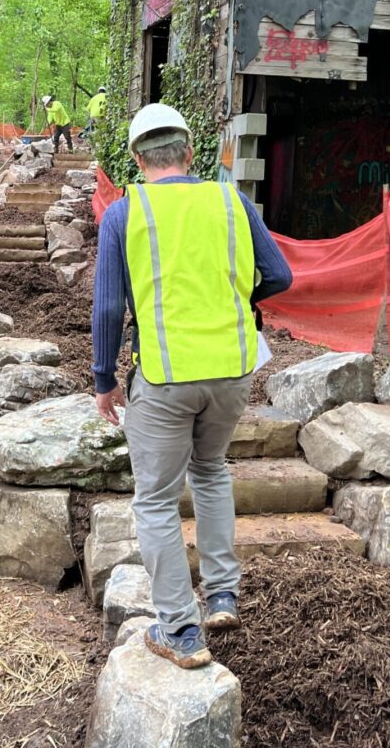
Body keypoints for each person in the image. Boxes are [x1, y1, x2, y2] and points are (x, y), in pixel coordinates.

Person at [92, 103, 292, 669]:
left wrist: (104, 379)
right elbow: (280, 275)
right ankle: (223, 593)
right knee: (210, 471)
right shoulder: (232, 202)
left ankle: (180, 629)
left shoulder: (123, 214)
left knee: (155, 500)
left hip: (165, 375)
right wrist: (236, 302)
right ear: (188, 152)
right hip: (231, 371)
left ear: (136, 159)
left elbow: (108, 307)